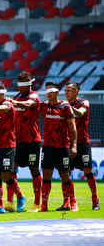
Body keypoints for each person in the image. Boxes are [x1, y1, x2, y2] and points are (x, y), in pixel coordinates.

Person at [39, 81, 78, 212]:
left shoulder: (65, 107)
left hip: (62, 147)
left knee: (65, 175)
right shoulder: (43, 106)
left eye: (51, 90)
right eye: (46, 90)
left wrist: (74, 146)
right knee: (46, 175)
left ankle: (72, 202)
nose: (48, 93)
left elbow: (72, 129)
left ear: (56, 91)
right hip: (47, 147)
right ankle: (44, 205)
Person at [0, 82, 25, 214]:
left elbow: (3, 109)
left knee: (5, 175)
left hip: (7, 146)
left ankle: (20, 196)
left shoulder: (8, 104)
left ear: (2, 92)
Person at [10, 72, 42, 212]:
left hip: (32, 140)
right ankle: (12, 200)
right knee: (10, 169)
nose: (20, 88)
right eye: (19, 85)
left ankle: (37, 203)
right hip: (17, 140)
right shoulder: (16, 96)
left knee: (33, 169)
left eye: (23, 85)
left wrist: (14, 103)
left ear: (29, 85)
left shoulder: (33, 96)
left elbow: (28, 105)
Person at [64, 82, 99, 210]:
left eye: (69, 90)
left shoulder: (84, 102)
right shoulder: (63, 105)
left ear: (76, 92)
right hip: (67, 143)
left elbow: (80, 113)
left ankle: (95, 200)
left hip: (82, 142)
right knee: (66, 173)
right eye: (65, 90)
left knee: (87, 171)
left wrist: (67, 107)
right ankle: (68, 202)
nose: (66, 93)